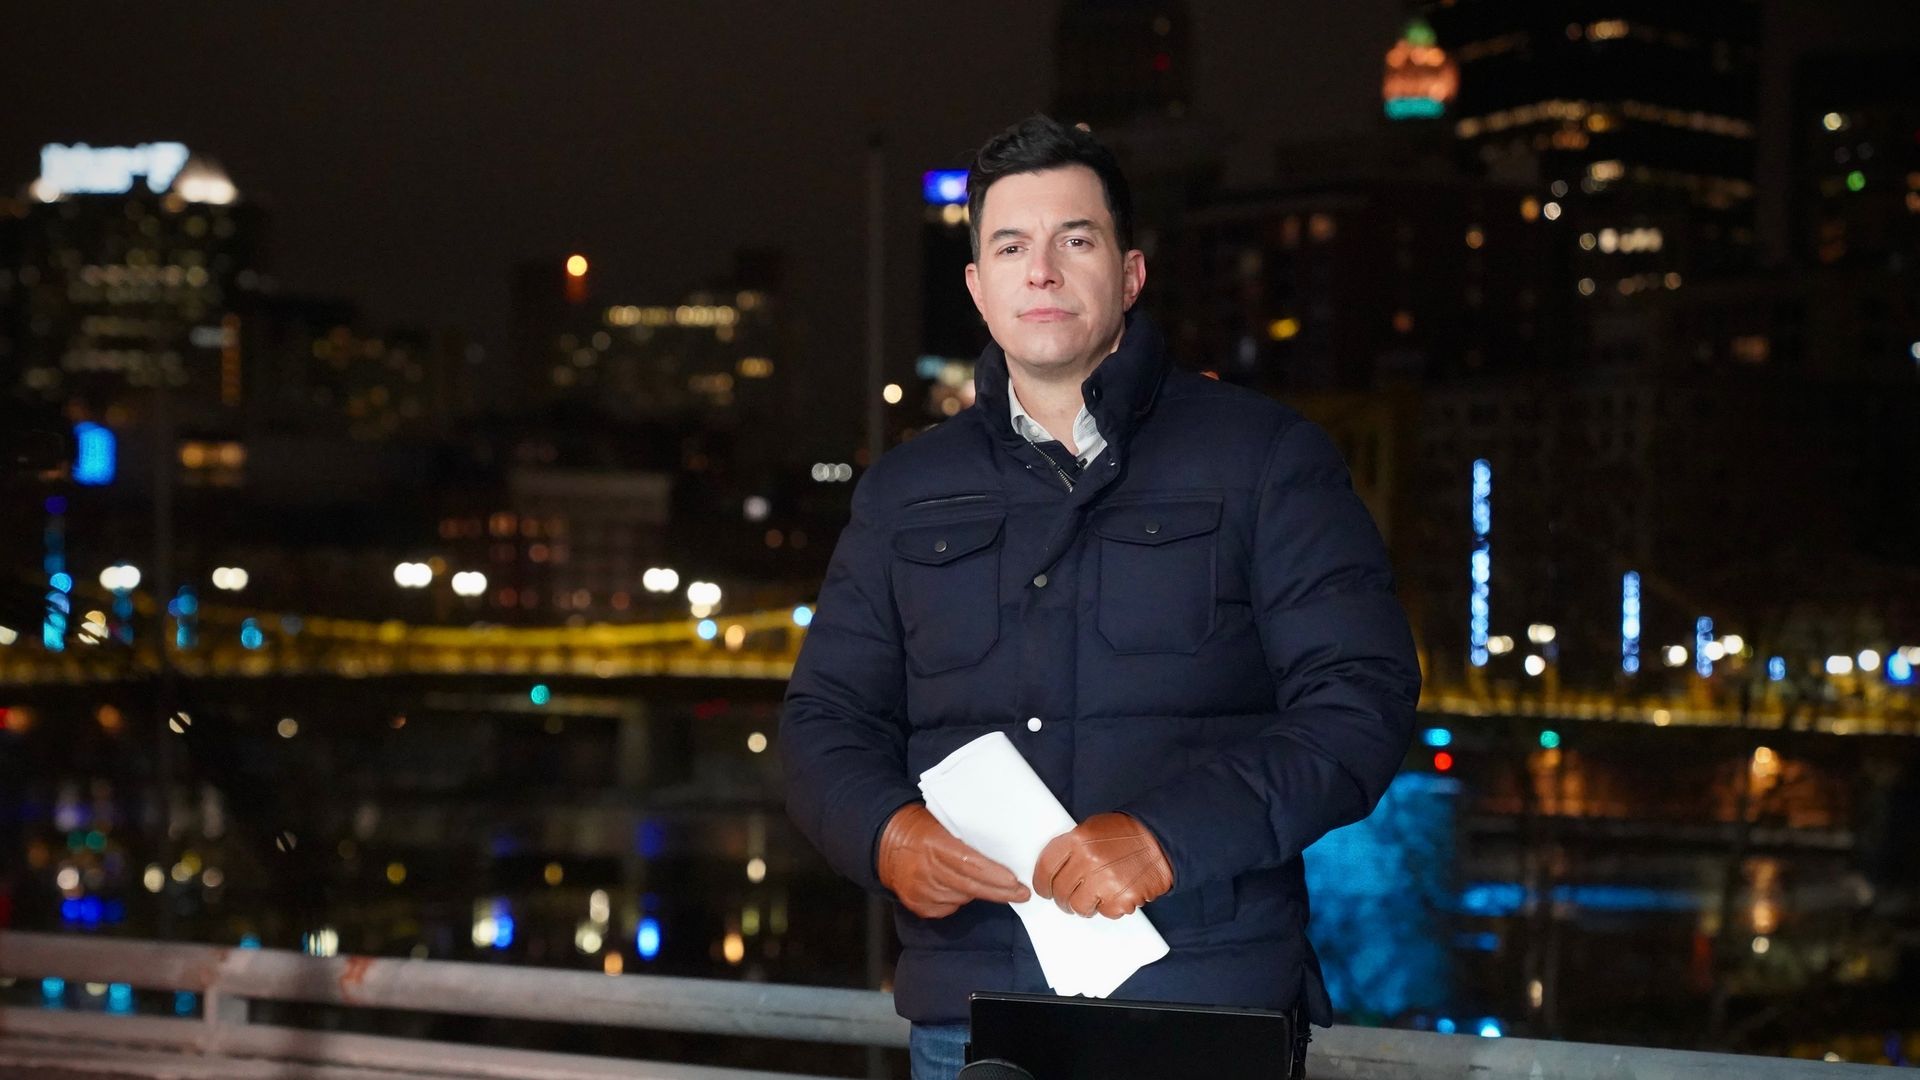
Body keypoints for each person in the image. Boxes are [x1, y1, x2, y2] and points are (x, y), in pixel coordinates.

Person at [780, 114, 1420, 1080]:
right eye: (1010, 246)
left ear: (1128, 274)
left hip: (1203, 1006)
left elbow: (1361, 699)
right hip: (974, 1021)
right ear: (978, 289)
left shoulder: (1266, 459)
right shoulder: (903, 493)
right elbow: (823, 720)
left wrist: (1170, 839)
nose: (1040, 270)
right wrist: (885, 833)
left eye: (1075, 240)